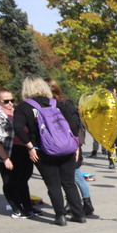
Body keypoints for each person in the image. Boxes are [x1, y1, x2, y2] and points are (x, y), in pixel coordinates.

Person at [14, 75, 85, 226]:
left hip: (42, 150)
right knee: (69, 182)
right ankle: (79, 214)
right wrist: (76, 145)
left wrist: (30, 146)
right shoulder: (56, 103)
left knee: (52, 184)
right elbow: (73, 125)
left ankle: (60, 216)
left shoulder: (23, 107)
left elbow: (18, 128)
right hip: (66, 149)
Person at [47, 78, 97, 218]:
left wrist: (72, 142)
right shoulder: (51, 104)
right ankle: (71, 202)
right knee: (67, 177)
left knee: (75, 175)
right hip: (61, 145)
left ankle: (87, 203)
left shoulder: (65, 103)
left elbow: (75, 124)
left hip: (71, 144)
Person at [0, 87, 36, 219]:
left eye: (12, 100)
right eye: (6, 101)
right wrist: (6, 158)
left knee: (23, 179)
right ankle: (16, 208)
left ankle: (27, 206)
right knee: (11, 181)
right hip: (7, 150)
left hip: (23, 149)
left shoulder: (16, 112)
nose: (10, 103)